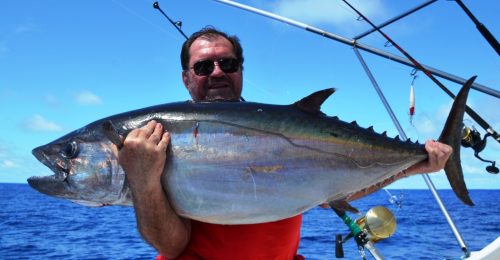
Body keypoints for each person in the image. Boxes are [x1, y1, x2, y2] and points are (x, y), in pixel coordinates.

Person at [117, 27, 453, 259]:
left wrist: (414, 166)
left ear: (241, 70)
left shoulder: (295, 125)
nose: (217, 72)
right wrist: (144, 181)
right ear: (186, 78)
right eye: (203, 66)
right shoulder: (155, 142)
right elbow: (172, 247)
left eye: (227, 63)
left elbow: (329, 195)